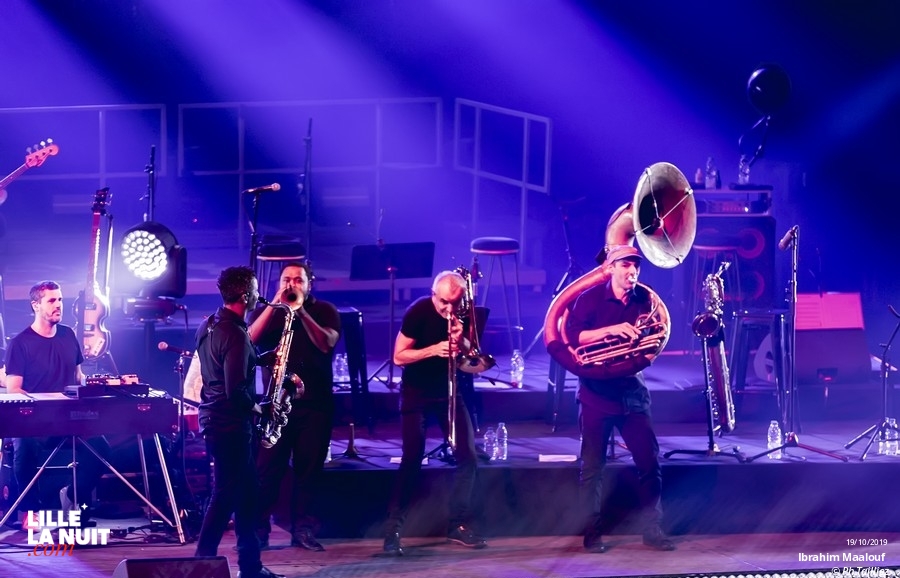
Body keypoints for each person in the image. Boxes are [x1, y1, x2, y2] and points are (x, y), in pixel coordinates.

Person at [566, 245, 675, 553]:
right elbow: (575, 338)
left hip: (631, 393)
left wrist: (641, 338)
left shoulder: (646, 299)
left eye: (636, 266)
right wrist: (613, 330)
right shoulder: (588, 299)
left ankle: (652, 529)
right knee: (592, 468)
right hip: (595, 393)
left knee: (649, 462)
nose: (632, 271)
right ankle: (592, 531)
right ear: (611, 268)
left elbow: (658, 332)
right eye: (626, 265)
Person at [382, 270, 486, 556]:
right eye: (444, 302)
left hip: (450, 391)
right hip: (416, 392)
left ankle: (458, 524)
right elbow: (398, 356)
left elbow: (472, 356)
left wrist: (461, 340)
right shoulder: (418, 311)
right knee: (412, 459)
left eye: (456, 302)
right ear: (433, 295)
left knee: (469, 456)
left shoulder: (466, 313)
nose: (449, 309)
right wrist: (434, 350)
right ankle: (393, 530)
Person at [193, 266, 283, 578]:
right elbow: (236, 391)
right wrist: (264, 409)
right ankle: (201, 563)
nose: (260, 294)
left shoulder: (209, 324)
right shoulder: (235, 333)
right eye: (256, 289)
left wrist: (258, 357)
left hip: (216, 421)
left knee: (247, 494)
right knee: (225, 496)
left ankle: (251, 568)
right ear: (245, 296)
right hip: (231, 424)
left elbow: (220, 365)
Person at [248, 261, 340, 551]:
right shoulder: (269, 311)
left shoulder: (325, 310)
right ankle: (258, 532)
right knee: (266, 472)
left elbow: (327, 343)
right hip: (275, 404)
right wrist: (274, 306)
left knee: (308, 471)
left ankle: (304, 531)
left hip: (314, 404)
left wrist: (301, 313)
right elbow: (249, 338)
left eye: (297, 280)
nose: (291, 285)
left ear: (309, 283)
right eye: (286, 279)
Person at [4, 280, 109, 527]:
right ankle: (30, 513)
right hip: (35, 422)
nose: (58, 305)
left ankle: (74, 496)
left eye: (60, 299)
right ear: (36, 305)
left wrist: (94, 388)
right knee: (25, 450)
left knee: (102, 449)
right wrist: (42, 404)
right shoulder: (20, 343)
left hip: (69, 419)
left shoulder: (68, 335)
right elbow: (13, 389)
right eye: (51, 300)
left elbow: (77, 377)